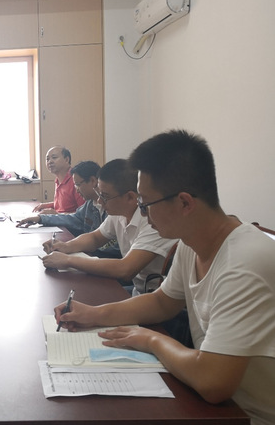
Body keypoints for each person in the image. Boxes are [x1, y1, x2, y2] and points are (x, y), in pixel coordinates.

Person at [54, 130, 275, 425]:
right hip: (215, 408)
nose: (143, 215)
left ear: (185, 203)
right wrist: (93, 314)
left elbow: (212, 382)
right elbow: (161, 302)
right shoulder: (190, 244)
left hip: (249, 416)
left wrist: (151, 340)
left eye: (145, 205)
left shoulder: (244, 262)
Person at [41, 158, 176, 295]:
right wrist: (66, 246)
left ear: (130, 197)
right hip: (138, 290)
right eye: (99, 194)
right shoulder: (119, 213)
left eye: (105, 196)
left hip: (154, 295)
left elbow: (125, 269)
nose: (100, 201)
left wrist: (68, 260)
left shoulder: (153, 222)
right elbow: (95, 238)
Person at [17, 161, 120, 258]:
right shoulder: (89, 205)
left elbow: (111, 249)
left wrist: (76, 252)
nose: (76, 189)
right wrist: (41, 218)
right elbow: (72, 218)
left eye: (78, 185)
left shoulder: (115, 209)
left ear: (93, 181)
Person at [32, 146, 85, 214]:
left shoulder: (76, 180)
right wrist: (46, 205)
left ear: (67, 160)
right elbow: (65, 205)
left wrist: (56, 215)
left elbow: (83, 214)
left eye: (54, 157)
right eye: (47, 159)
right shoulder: (58, 179)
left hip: (67, 221)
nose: (50, 161)